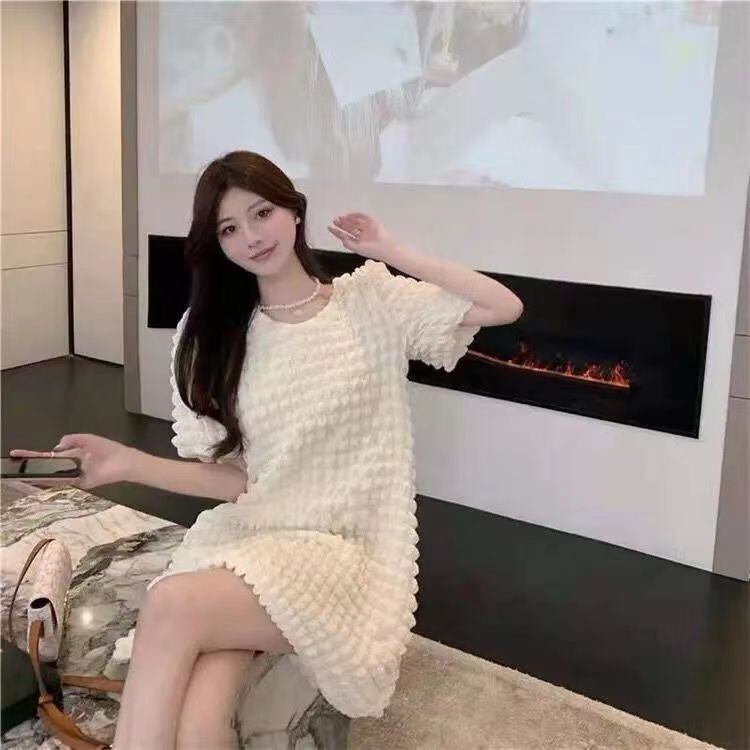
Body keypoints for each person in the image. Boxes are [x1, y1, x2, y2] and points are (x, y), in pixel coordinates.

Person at [10, 150, 524, 748]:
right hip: (254, 540)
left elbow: (503, 307)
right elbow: (239, 481)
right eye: (229, 228)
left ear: (293, 212)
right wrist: (124, 462)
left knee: (172, 606)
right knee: (199, 718)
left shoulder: (370, 302)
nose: (252, 237)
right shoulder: (212, 335)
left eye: (262, 213)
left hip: (346, 554)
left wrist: (390, 251)